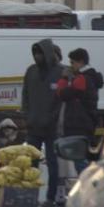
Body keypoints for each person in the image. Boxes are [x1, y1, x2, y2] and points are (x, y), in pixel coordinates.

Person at [21, 39, 63, 194]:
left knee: (52, 162)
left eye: (40, 53)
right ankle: (30, 193)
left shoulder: (60, 72)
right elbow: (25, 95)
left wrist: (54, 118)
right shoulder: (31, 71)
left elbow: (61, 101)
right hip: (34, 126)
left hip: (51, 127)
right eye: (35, 53)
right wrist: (26, 115)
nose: (37, 57)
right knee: (31, 161)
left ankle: (51, 196)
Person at [57, 48, 104, 178]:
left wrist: (64, 79)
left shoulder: (82, 79)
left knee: (79, 159)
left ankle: (86, 184)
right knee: (84, 157)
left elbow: (63, 94)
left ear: (81, 62)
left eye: (72, 63)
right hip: (87, 121)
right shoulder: (92, 77)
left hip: (78, 123)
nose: (71, 66)